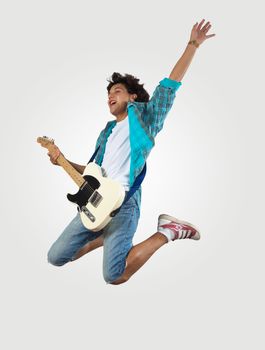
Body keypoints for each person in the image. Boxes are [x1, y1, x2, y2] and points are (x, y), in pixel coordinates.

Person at [47, 19, 215, 285]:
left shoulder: (146, 118)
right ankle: (104, 237)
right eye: (108, 94)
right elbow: (92, 173)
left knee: (113, 276)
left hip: (124, 203)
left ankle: (168, 231)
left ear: (133, 97)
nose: (110, 96)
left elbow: (170, 85)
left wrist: (192, 45)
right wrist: (61, 161)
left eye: (117, 91)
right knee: (56, 256)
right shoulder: (107, 131)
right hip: (95, 202)